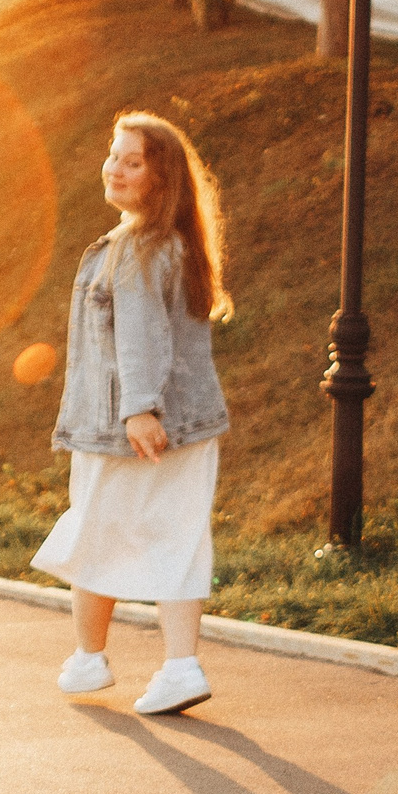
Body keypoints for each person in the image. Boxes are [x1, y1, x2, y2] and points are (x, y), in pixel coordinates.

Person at [32, 110, 233, 715]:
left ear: (159, 176)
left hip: (130, 428)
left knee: (95, 531)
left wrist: (139, 409)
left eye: (132, 160)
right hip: (186, 423)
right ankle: (174, 665)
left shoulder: (139, 250)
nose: (115, 168)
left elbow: (142, 336)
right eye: (113, 154)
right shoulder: (173, 243)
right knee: (176, 536)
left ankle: (92, 660)